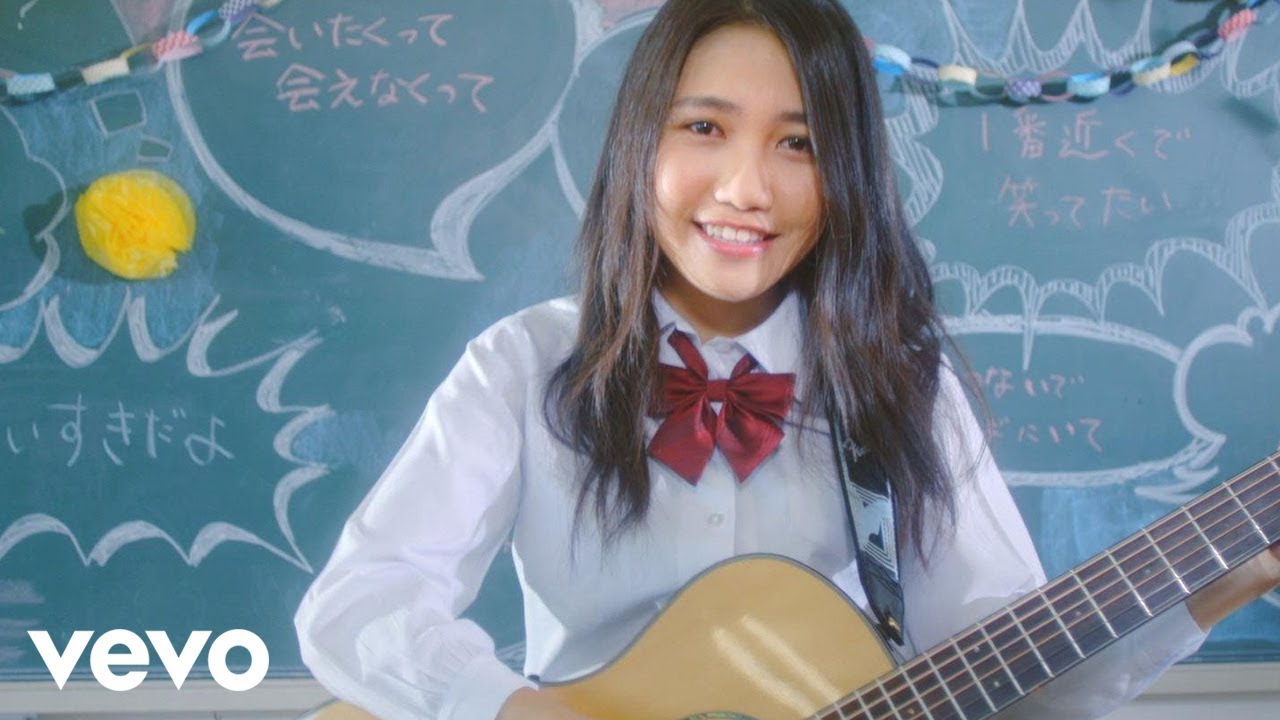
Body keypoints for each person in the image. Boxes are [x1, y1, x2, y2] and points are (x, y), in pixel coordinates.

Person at [294, 1, 1280, 718]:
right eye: (705, 128)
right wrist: (513, 713)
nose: (745, 188)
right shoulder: (524, 364)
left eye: (798, 145)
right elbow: (360, 602)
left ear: (847, 173)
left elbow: (1013, 682)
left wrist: (1215, 586)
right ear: (639, 145)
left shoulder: (904, 386)